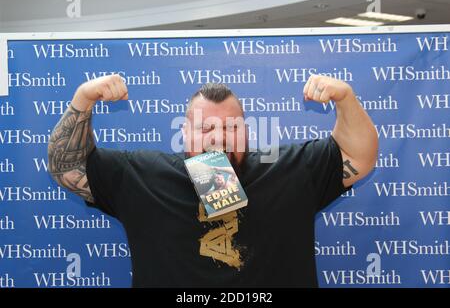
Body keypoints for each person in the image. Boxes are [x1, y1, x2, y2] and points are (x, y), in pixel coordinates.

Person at [48, 74, 378, 287]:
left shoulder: (290, 167)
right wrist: (83, 99)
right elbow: (68, 166)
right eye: (205, 128)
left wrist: (345, 98)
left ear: (246, 131)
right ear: (184, 132)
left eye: (230, 127)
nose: (218, 137)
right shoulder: (142, 174)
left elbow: (358, 157)